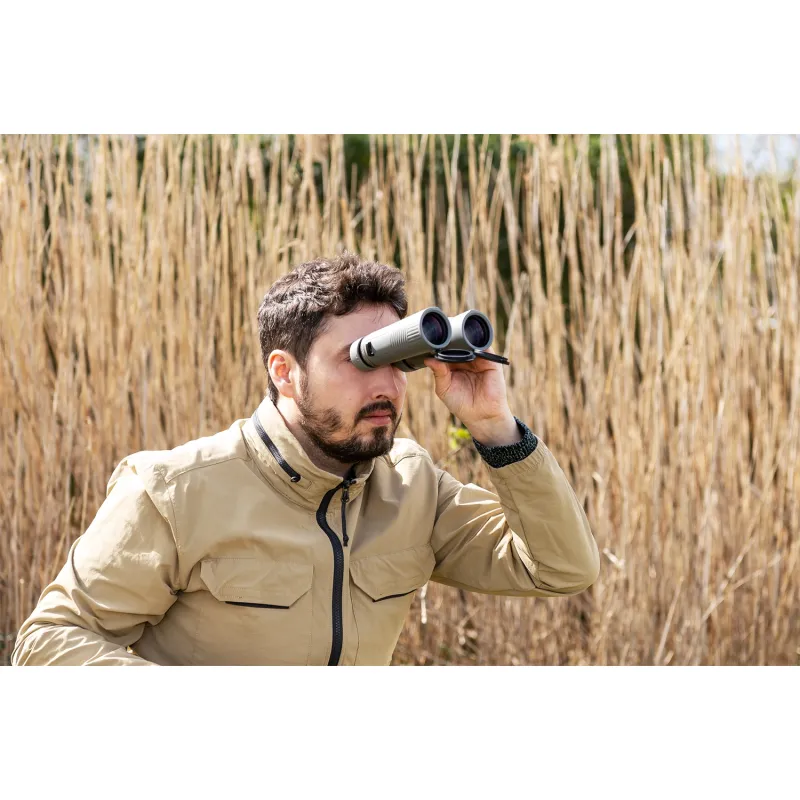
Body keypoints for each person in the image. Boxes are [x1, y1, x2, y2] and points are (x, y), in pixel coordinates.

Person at [12, 252, 599, 666]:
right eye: (361, 360)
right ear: (285, 372)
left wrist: (495, 428)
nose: (388, 386)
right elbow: (49, 641)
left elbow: (561, 569)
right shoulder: (173, 490)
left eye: (399, 362)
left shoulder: (413, 486)